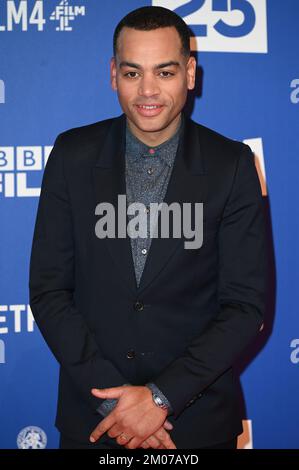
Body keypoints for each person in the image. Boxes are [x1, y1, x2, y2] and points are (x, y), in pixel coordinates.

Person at [29, 6, 267, 450]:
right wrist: (116, 404)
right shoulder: (71, 156)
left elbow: (245, 306)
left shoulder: (231, 166)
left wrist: (160, 399)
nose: (149, 91)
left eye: (165, 71)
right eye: (133, 73)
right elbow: (49, 290)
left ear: (190, 74)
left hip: (195, 424)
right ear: (113, 74)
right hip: (96, 420)